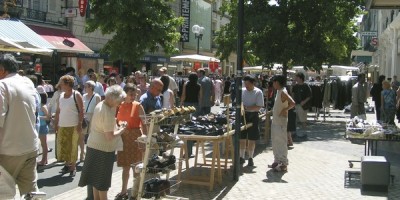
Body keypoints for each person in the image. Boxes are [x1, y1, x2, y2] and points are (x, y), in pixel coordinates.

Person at [0, 54, 40, 197]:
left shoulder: (2, 85)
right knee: (31, 192)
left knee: (4, 194)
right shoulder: (27, 82)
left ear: (2, 70)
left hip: (9, 150)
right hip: (30, 145)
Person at [78, 85, 127, 200]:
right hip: (104, 150)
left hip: (93, 146)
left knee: (96, 181)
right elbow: (110, 136)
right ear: (113, 98)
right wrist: (122, 129)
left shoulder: (101, 104)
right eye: (119, 101)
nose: (120, 104)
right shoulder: (107, 111)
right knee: (103, 183)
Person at [114, 83, 147, 200]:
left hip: (135, 138)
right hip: (123, 138)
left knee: (136, 167)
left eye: (135, 94)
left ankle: (136, 191)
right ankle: (124, 191)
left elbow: (144, 124)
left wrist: (145, 139)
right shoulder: (119, 105)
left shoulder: (138, 106)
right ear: (125, 94)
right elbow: (115, 121)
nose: (133, 96)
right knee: (125, 167)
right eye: (131, 94)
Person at [54, 75, 84, 177]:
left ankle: (73, 166)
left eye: (62, 83)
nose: (60, 85)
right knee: (64, 146)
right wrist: (56, 123)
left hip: (74, 125)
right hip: (62, 125)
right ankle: (67, 164)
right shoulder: (61, 96)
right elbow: (58, 111)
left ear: (67, 84)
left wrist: (80, 124)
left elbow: (81, 111)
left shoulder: (76, 94)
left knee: (73, 146)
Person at [268, 75, 295, 172]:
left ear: (278, 82)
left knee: (282, 142)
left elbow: (292, 103)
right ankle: (277, 161)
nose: (273, 84)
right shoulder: (279, 91)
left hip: (281, 122)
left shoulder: (283, 91)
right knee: (275, 142)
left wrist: (285, 109)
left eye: (274, 82)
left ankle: (283, 163)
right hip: (276, 121)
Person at [239, 75, 264, 167]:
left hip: (253, 115)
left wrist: (248, 108)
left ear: (253, 83)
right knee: (242, 137)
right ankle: (241, 157)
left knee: (251, 138)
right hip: (243, 115)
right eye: (245, 83)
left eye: (248, 84)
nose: (246, 86)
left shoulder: (258, 92)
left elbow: (259, 106)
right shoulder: (242, 91)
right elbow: (238, 102)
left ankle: (250, 157)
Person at [81, 81, 101, 161]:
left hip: (93, 116)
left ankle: (90, 154)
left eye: (86, 87)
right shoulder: (83, 96)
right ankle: (82, 153)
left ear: (91, 87)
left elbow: (99, 109)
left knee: (91, 137)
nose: (84, 88)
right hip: (84, 117)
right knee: (81, 136)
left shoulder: (97, 96)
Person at [37, 90, 50, 166]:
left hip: (43, 126)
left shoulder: (43, 106)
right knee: (41, 144)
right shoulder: (39, 106)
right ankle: (45, 160)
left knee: (44, 144)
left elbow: (48, 117)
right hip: (39, 126)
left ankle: (44, 160)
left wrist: (39, 117)